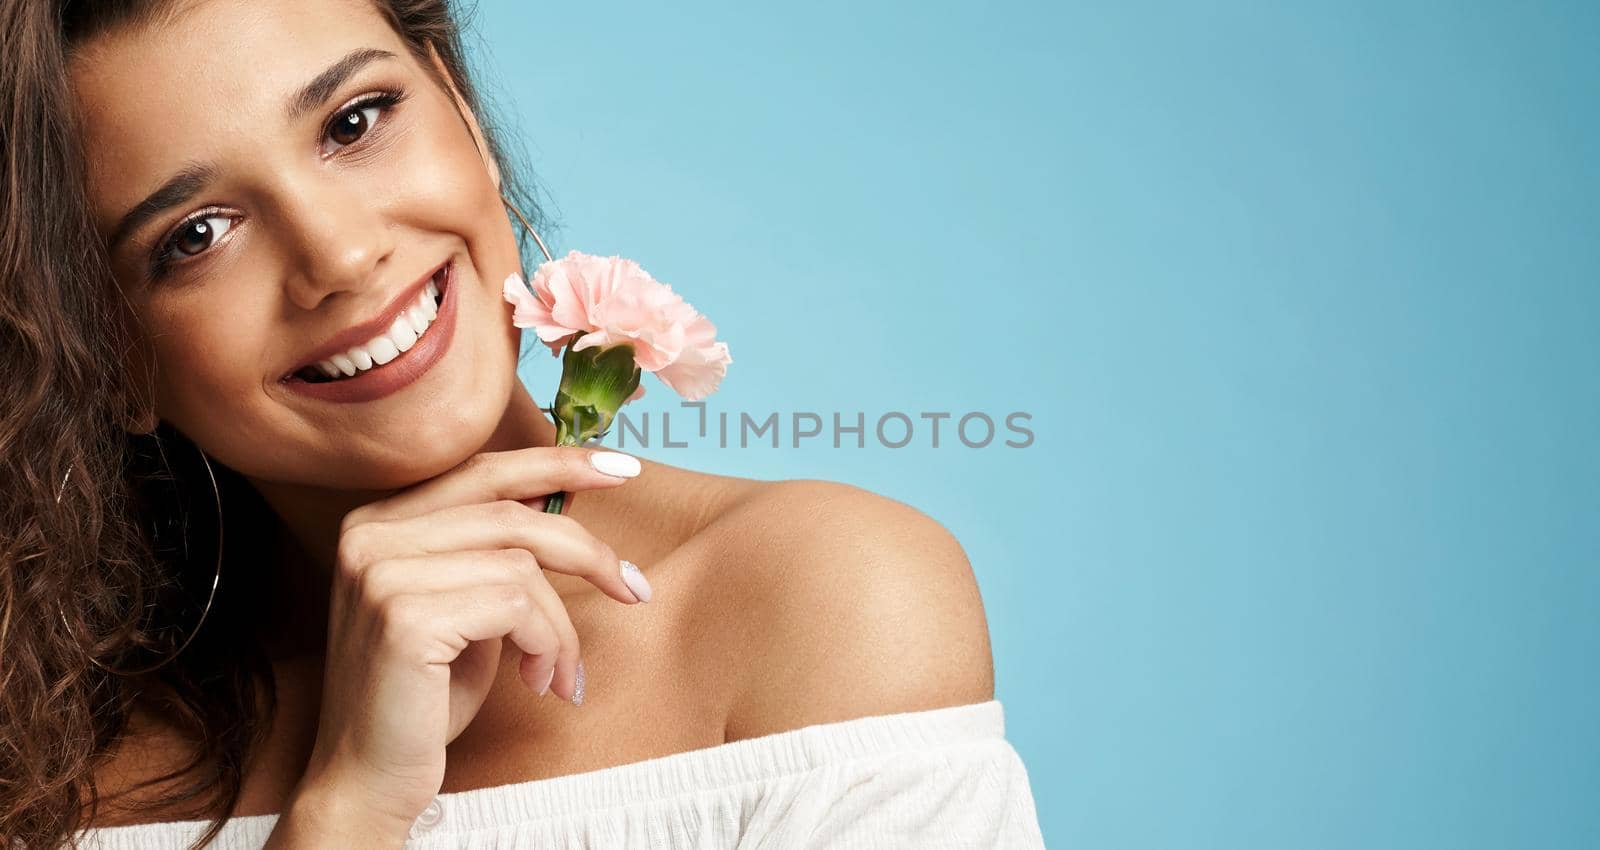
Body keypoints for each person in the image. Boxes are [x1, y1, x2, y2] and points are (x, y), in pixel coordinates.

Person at [0, 0, 1047, 847]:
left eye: (355, 122)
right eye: (198, 234)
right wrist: (350, 806)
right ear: (108, 356)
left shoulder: (825, 603)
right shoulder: (45, 764)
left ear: (460, 107)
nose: (340, 257)